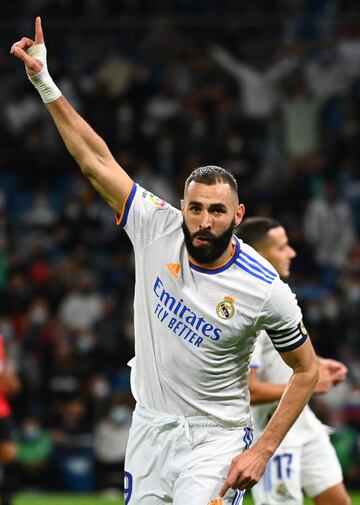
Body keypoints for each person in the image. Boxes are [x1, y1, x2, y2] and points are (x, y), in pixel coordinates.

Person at [10, 18, 320, 505]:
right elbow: (96, 161)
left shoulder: (265, 287)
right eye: (194, 207)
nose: (202, 220)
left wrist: (263, 449)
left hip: (215, 440)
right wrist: (45, 83)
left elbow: (307, 371)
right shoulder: (158, 226)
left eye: (217, 211)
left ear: (236, 215)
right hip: (150, 428)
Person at [237, 217, 351, 505]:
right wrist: (310, 385)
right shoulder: (249, 311)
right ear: (261, 256)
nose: (292, 253)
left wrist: (318, 365)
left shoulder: (280, 300)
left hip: (302, 422)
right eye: (282, 247)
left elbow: (285, 360)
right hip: (272, 431)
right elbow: (249, 391)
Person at [0, 333, 21, 505]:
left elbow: (8, 380)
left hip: (2, 410)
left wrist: (11, 381)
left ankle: (7, 500)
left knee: (11, 455)